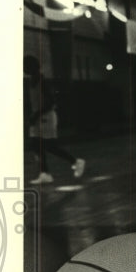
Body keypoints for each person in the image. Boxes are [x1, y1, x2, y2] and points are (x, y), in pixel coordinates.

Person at [24, 55, 85, 185]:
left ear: (32, 67)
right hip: (37, 117)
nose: (23, 68)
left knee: (49, 146)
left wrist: (36, 114)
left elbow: (51, 102)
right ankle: (45, 174)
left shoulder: (43, 81)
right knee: (36, 145)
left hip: (46, 116)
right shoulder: (31, 81)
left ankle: (76, 161)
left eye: (25, 66)